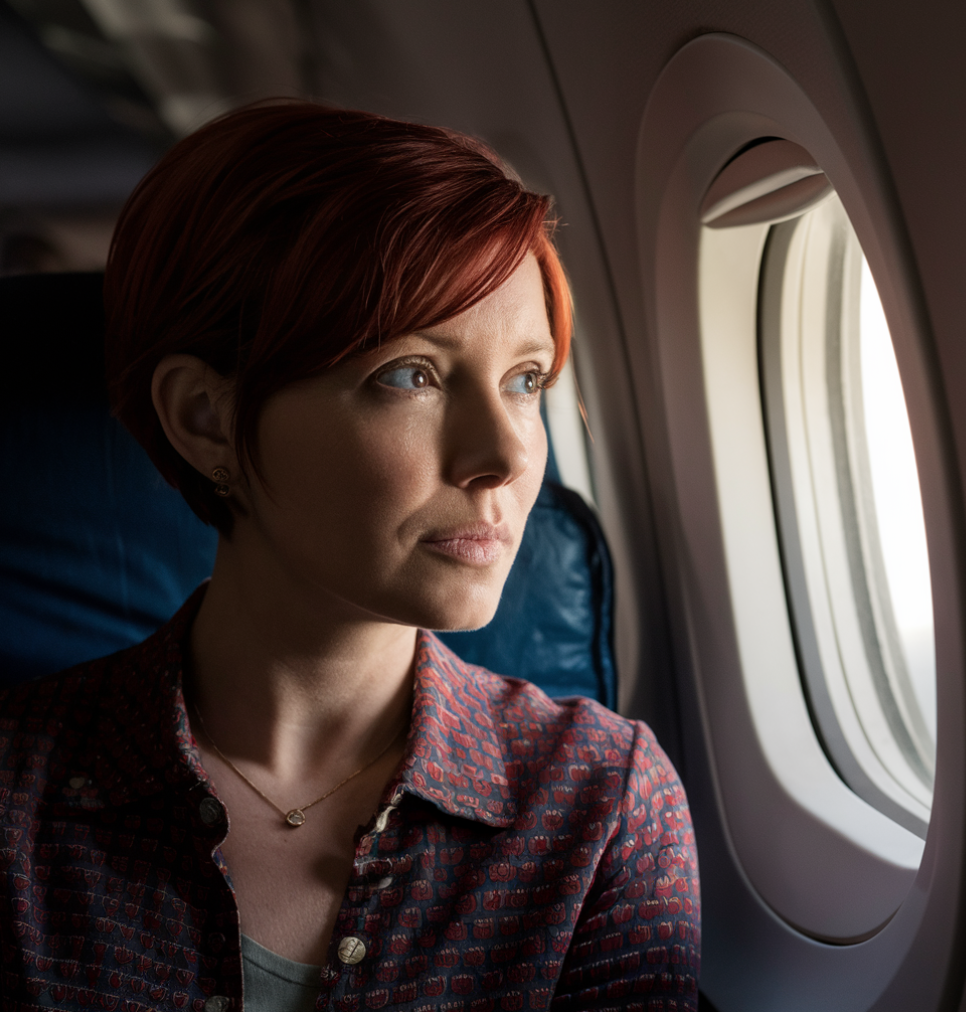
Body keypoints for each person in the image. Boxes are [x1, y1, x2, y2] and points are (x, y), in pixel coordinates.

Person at [0, 101, 699, 1011]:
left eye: (525, 381)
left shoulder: (601, 804)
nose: (509, 455)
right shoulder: (17, 804)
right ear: (205, 418)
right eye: (410, 375)